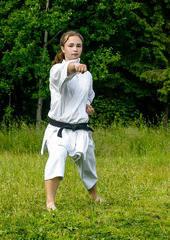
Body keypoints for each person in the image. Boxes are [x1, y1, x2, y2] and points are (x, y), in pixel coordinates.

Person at [40, 30, 106, 211]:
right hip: (59, 130)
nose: (75, 49)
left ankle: (94, 196)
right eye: (71, 45)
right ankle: (50, 202)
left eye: (78, 46)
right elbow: (66, 71)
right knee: (57, 157)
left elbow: (87, 97)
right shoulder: (56, 69)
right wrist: (74, 67)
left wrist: (87, 108)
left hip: (81, 129)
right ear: (63, 48)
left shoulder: (88, 75)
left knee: (88, 163)